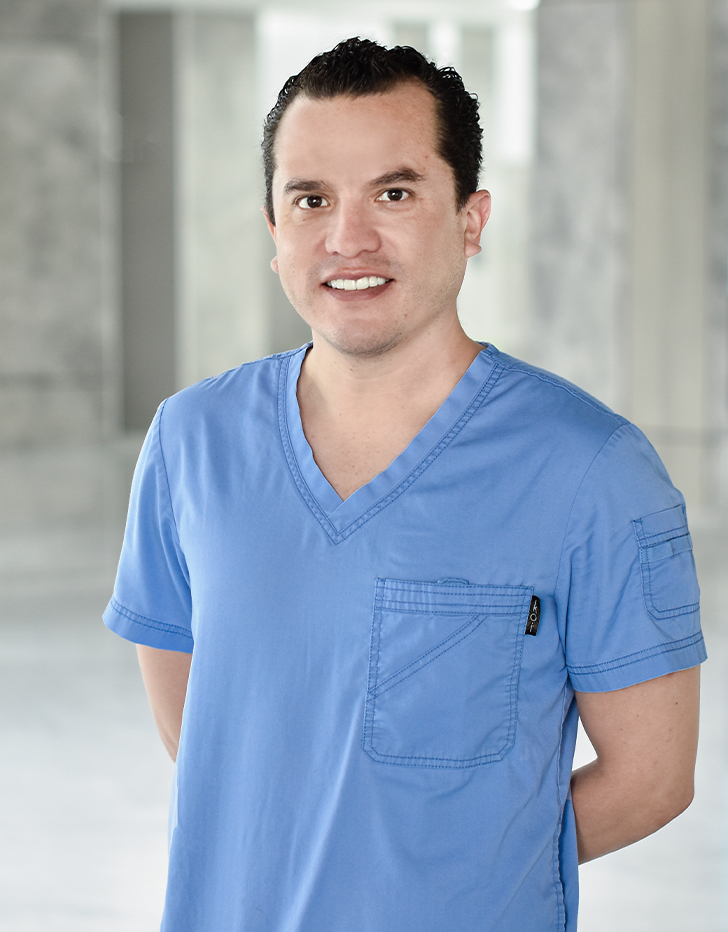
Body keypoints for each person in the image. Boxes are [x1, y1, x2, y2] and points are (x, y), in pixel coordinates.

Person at [104, 37, 705, 932]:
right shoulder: (192, 441)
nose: (348, 239)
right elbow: (205, 737)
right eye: (310, 199)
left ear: (470, 216)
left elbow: (652, 780)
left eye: (394, 192)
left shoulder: (592, 470)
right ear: (274, 229)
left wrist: (449, 875)